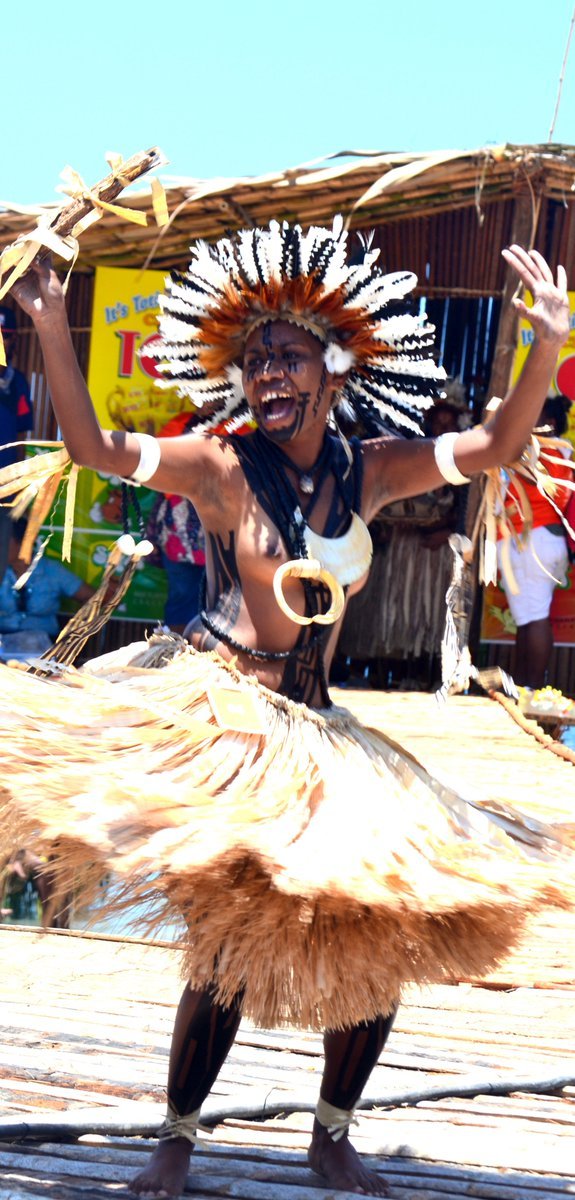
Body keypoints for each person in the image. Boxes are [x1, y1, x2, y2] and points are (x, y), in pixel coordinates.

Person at [0, 225, 573, 1200]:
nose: (267, 370)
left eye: (286, 353)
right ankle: (175, 1140)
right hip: (220, 721)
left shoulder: (371, 468)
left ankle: (331, 1134)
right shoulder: (220, 468)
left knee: (383, 917)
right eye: (252, 357)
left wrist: (542, 344)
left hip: (317, 734)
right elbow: (94, 447)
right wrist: (54, 325)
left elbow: (494, 447)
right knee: (226, 939)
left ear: (331, 366)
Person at [337, 382, 470, 687]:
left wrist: (447, 533)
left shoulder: (463, 459)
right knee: (387, 611)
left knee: (423, 613)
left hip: (432, 551)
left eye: (449, 418)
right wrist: (382, 529)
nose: (443, 423)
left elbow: (466, 512)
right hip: (397, 546)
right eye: (438, 416)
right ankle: (378, 671)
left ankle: (419, 674)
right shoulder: (410, 448)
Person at [496, 394, 572, 688]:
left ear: (549, 423)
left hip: (535, 540)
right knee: (528, 618)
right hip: (534, 540)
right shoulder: (559, 452)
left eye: (534, 414)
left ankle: (534, 687)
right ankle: (523, 687)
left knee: (535, 617)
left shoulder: (546, 450)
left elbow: (530, 479)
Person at [0, 516, 95, 661]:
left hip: (43, 651)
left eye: (4, 541)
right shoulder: (2, 570)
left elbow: (91, 597)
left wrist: (76, 629)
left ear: (24, 543)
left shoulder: (51, 570)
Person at [0, 305, 34, 579]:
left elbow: (22, 437)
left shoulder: (17, 383)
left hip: (4, 492)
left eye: (4, 335)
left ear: (14, 340)